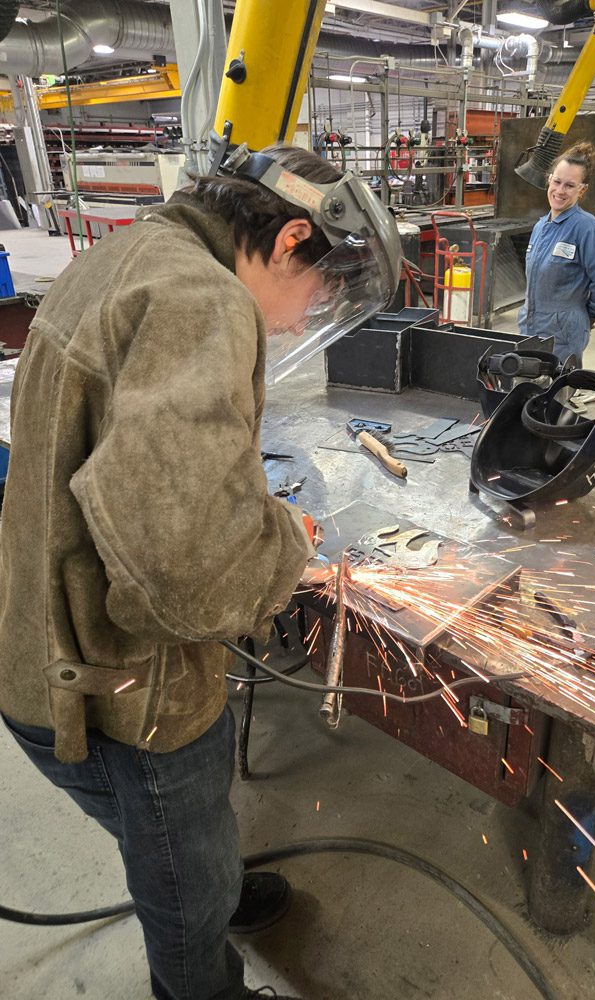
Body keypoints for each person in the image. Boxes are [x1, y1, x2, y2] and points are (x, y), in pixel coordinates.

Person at [0, 142, 399, 1000]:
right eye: (319, 290)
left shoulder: (137, 252)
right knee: (183, 884)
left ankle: (201, 867)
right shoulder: (203, 300)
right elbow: (185, 575)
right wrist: (281, 545)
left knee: (186, 838)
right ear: (291, 237)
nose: (302, 319)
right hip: (117, 690)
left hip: (43, 635)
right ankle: (203, 957)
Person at [518, 140, 595, 364]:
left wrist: (580, 317)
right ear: (549, 180)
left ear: (582, 190)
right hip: (529, 326)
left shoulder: (587, 229)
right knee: (527, 391)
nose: (560, 191)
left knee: (555, 393)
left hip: (563, 334)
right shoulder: (541, 226)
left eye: (570, 185)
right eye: (557, 182)